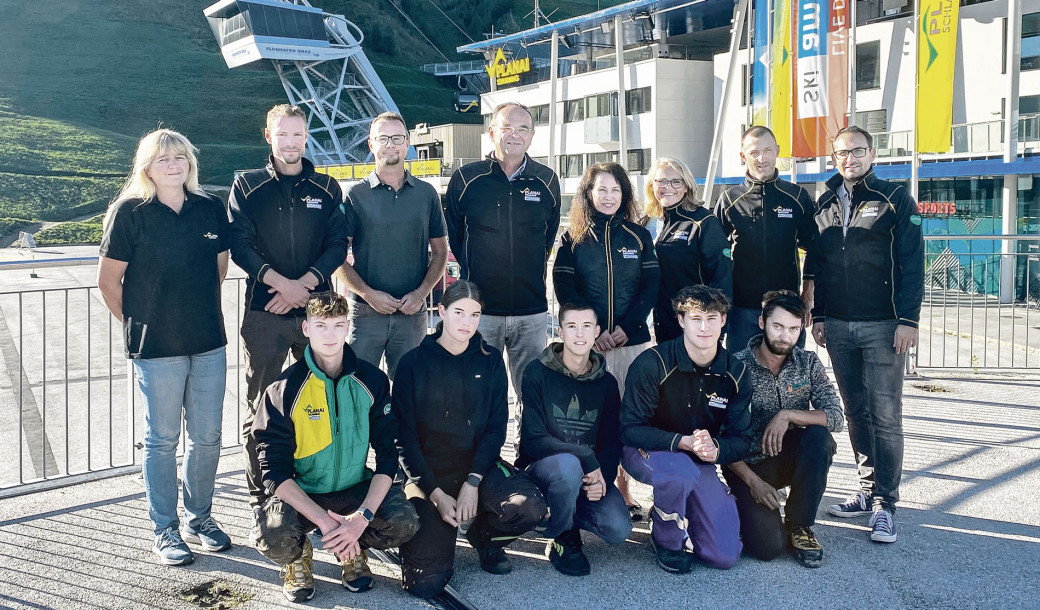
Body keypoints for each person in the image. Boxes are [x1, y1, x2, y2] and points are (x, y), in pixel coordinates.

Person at [98, 128, 232, 565]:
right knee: (162, 439)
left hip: (208, 341)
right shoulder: (130, 212)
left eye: (180, 157)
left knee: (207, 438)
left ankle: (200, 518)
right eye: (163, 159)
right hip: (156, 348)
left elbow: (219, 270)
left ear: (190, 161)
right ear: (146, 167)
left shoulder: (209, 208)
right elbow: (109, 281)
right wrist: (142, 325)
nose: (174, 165)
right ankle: (165, 529)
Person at [249, 292, 419, 603]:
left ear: (347, 327)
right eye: (321, 326)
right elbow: (273, 473)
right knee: (274, 537)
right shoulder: (283, 391)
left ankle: (353, 548)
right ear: (306, 329)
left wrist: (361, 519)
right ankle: (299, 555)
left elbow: (387, 457)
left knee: (403, 522)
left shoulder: (372, 380)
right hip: (304, 493)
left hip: (352, 489)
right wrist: (326, 522)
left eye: (338, 325)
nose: (330, 335)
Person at [228, 104, 350, 511]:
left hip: (320, 316)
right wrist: (283, 285)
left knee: (323, 400)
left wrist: (305, 289)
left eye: (298, 134)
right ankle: (263, 494)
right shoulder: (247, 186)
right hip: (265, 313)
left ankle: (318, 489)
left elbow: (337, 245)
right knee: (262, 404)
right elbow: (241, 247)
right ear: (269, 136)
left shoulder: (328, 188)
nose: (291, 142)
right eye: (283, 134)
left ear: (306, 136)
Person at [394, 281, 547, 600]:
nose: (467, 322)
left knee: (529, 508)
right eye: (459, 312)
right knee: (425, 584)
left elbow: (495, 428)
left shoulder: (489, 359)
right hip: (428, 475)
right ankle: (435, 532)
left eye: (475, 314)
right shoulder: (412, 363)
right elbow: (402, 437)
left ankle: (484, 535)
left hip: (477, 467)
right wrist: (435, 494)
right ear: (441, 312)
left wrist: (473, 482)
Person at [811, 126, 924, 544]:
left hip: (884, 325)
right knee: (856, 412)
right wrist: (820, 315)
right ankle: (867, 489)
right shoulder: (823, 203)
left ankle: (886, 503)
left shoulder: (894, 198)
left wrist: (908, 320)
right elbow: (820, 266)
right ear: (834, 157)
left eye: (857, 151)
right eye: (842, 152)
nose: (850, 158)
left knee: (885, 415)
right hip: (838, 325)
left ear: (872, 153)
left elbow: (913, 263)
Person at [552, 161, 661, 519]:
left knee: (628, 416)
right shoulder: (573, 238)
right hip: (589, 347)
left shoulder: (638, 236)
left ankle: (624, 488)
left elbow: (651, 287)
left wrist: (628, 327)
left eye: (616, 189)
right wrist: (591, 330)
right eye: (602, 189)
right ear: (588, 194)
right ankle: (587, 485)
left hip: (631, 344)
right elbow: (565, 289)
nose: (609, 196)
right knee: (592, 418)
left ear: (625, 194)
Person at [620, 285, 752, 574]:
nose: (704, 327)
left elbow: (741, 440)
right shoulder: (652, 363)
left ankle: (685, 509)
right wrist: (682, 441)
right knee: (678, 473)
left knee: (724, 555)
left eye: (712, 318)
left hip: (696, 460)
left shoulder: (737, 372)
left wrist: (717, 448)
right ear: (681, 320)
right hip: (647, 451)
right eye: (695, 318)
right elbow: (629, 429)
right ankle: (666, 540)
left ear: (724, 320)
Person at [445, 102, 562, 402]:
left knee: (532, 396)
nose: (515, 134)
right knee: (478, 393)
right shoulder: (466, 179)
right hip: (480, 312)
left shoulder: (547, 180)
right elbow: (456, 236)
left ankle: (528, 450)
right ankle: (484, 451)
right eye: (507, 127)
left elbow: (547, 238)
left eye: (523, 128)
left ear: (532, 136)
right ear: (492, 132)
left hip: (531, 312)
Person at [725, 290, 844, 568]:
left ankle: (799, 524)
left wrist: (787, 415)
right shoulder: (736, 367)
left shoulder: (808, 363)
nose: (784, 336)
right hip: (748, 466)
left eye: (793, 328)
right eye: (777, 326)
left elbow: (836, 418)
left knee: (819, 437)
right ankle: (738, 505)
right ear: (761, 323)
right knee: (768, 549)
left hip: (790, 457)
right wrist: (753, 483)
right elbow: (721, 438)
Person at [515, 302, 632, 576]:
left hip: (587, 475)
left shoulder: (607, 384)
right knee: (567, 466)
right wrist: (585, 458)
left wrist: (600, 478)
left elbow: (610, 442)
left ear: (596, 332)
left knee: (618, 529)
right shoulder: (537, 372)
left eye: (586, 327)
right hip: (544, 472)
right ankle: (562, 536)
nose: (579, 335)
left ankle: (561, 511)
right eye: (572, 327)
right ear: (560, 331)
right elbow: (533, 440)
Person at [337, 112, 448, 380]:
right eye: (383, 138)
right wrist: (367, 294)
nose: (390, 144)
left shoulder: (426, 193)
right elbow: (336, 258)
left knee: (409, 394)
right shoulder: (355, 195)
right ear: (371, 144)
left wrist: (421, 294)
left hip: (412, 314)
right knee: (358, 391)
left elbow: (441, 252)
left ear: (407, 142)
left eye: (397, 138)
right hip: (366, 314)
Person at [715, 126, 817, 353]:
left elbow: (814, 247)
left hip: (787, 307)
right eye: (753, 152)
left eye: (767, 150)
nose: (761, 158)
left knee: (788, 377)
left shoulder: (797, 197)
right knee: (741, 378)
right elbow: (714, 256)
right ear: (743, 156)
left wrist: (807, 294)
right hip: (741, 309)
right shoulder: (729, 200)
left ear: (777, 151)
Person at [644, 156, 732, 343]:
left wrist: (715, 328)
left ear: (687, 186)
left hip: (694, 326)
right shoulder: (645, 221)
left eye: (676, 181)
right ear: (652, 185)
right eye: (662, 181)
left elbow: (721, 277)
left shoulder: (703, 223)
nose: (668, 187)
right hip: (654, 325)